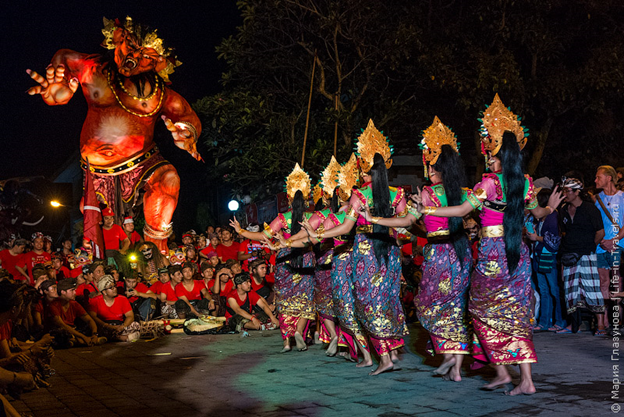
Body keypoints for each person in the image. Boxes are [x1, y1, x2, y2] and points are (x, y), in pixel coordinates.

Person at [413, 96, 563, 394]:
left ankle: (503, 372)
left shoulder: (489, 183)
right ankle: (527, 381)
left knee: (480, 308)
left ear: (497, 152)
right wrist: (552, 208)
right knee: (516, 312)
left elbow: (460, 211)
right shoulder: (526, 182)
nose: (488, 158)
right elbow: (537, 213)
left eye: (490, 152)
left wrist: (428, 210)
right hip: (518, 253)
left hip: (493, 254)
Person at [361, 117, 473, 381]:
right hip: (460, 253)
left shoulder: (427, 195)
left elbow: (408, 222)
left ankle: (450, 358)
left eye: (430, 166)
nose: (428, 170)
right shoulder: (466, 193)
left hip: (438, 256)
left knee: (428, 305)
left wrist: (376, 219)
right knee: (455, 306)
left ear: (437, 170)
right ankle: (454, 366)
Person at [294, 121, 408, 375]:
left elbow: (346, 228)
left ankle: (385, 356)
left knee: (367, 302)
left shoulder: (361, 194)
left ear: (364, 169)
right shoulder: (397, 193)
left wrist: (318, 233)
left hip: (366, 253)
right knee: (386, 300)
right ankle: (389, 352)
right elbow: (405, 226)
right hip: (389, 252)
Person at [231, 163, 316, 353]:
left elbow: (263, 236)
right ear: (308, 196)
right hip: (305, 260)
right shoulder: (312, 217)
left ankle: (286, 342)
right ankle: (299, 333)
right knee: (306, 300)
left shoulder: (282, 218)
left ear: (288, 197)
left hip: (285, 260)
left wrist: (241, 231)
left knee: (285, 301)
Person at [557, 177, 605, 334]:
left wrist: (589, 247)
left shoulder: (590, 209)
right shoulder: (563, 210)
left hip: (586, 254)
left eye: (567, 190)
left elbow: (600, 232)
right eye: (563, 190)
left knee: (592, 288)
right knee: (570, 291)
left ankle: (600, 325)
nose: (564, 193)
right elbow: (564, 233)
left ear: (577, 192)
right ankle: (574, 324)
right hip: (569, 254)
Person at [527, 188, 565, 332]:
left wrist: (536, 238)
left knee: (554, 290)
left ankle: (559, 321)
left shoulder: (552, 217)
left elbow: (555, 241)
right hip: (538, 255)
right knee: (544, 290)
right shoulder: (540, 217)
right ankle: (544, 322)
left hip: (548, 257)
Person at [594, 165, 624, 335]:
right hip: (600, 247)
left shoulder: (623, 198)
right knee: (602, 282)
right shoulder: (596, 199)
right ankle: (603, 322)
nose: (596, 180)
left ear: (609, 178)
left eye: (599, 177)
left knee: (616, 282)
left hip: (618, 245)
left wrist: (614, 240)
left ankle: (616, 320)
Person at [48, 278, 105, 347]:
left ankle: (80, 341)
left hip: (73, 330)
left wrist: (94, 334)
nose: (75, 292)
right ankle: (82, 341)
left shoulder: (74, 303)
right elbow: (63, 326)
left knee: (93, 327)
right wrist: (84, 337)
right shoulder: (53, 305)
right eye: (72, 290)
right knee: (61, 335)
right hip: (60, 331)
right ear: (63, 292)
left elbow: (89, 320)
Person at [88, 275, 140, 341]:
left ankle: (114, 337)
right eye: (111, 288)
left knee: (135, 325)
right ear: (104, 292)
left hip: (119, 325)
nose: (115, 289)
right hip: (104, 325)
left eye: (114, 286)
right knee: (94, 328)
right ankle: (122, 338)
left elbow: (130, 316)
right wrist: (108, 326)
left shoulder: (122, 299)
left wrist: (122, 326)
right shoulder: (95, 301)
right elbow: (93, 317)